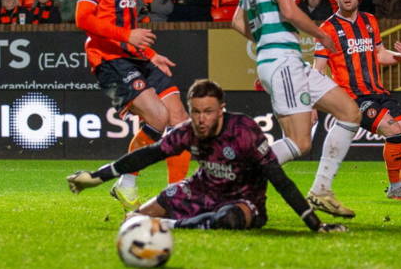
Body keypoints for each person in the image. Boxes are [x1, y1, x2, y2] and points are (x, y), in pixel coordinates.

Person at [66, 79, 346, 233]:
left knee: (229, 220)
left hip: (243, 201)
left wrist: (315, 224)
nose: (201, 118)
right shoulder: (189, 131)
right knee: (132, 221)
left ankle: (168, 226)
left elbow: (280, 179)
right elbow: (147, 155)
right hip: (199, 191)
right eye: (196, 111)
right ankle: (163, 224)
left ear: (221, 109)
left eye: (208, 111)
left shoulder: (245, 132)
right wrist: (96, 176)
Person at [230, 0, 361, 218]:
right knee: (300, 143)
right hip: (284, 63)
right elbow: (288, 10)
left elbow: (236, 21)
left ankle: (321, 190)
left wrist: (267, 43)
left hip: (287, 61)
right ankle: (232, 177)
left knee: (349, 111)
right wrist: (322, 36)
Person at [75, 0, 190, 210]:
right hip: (108, 58)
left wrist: (150, 53)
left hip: (134, 55)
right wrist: (129, 37)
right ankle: (127, 181)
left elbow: (127, 24)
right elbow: (83, 19)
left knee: (181, 122)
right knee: (158, 117)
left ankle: (173, 197)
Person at [314, 0, 401, 199]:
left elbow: (379, 54)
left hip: (379, 92)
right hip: (354, 98)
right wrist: (314, 102)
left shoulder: (370, 21)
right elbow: (317, 69)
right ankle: (397, 187)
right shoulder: (326, 30)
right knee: (393, 131)